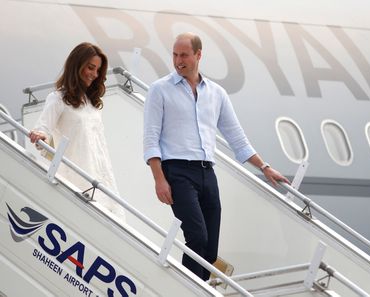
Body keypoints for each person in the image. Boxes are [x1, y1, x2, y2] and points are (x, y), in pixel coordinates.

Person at [143, 32, 289, 280]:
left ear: (199, 55)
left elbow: (237, 138)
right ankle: (184, 290)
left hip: (207, 173)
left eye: (184, 55)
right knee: (196, 237)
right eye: (175, 55)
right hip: (177, 173)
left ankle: (196, 287)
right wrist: (159, 178)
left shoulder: (216, 93)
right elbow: (150, 138)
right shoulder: (160, 90)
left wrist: (264, 167)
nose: (178, 60)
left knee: (210, 251)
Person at [29, 42, 125, 220]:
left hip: (101, 175)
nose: (94, 75)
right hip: (75, 177)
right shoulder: (58, 98)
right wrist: (40, 135)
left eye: (98, 70)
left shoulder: (93, 105)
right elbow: (42, 128)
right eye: (91, 68)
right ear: (77, 65)